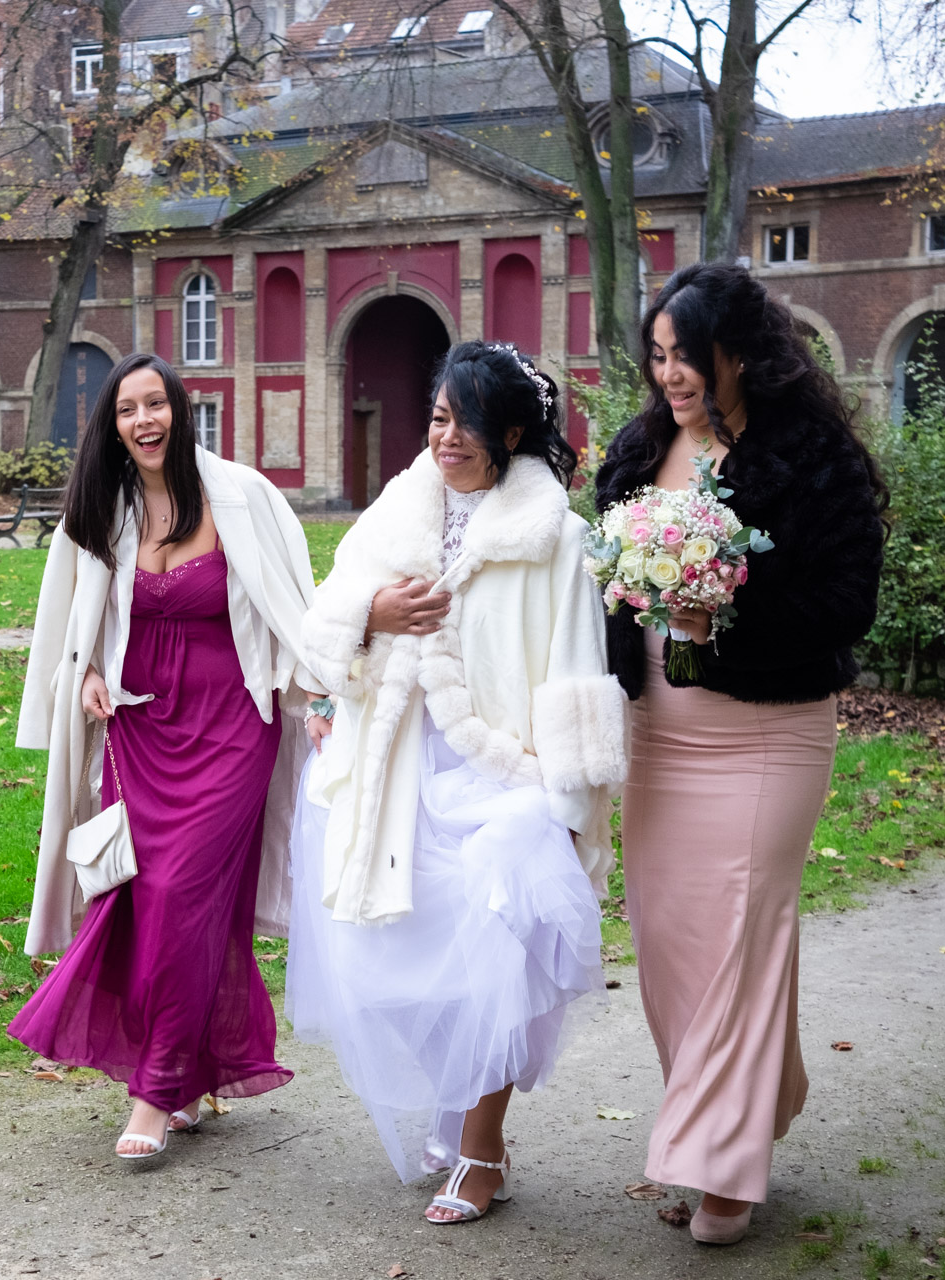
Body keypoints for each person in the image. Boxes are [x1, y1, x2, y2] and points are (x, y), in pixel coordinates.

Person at [285, 340, 628, 1225]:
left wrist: (568, 809)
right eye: (439, 417)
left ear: (510, 433)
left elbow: (577, 670)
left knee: (497, 952)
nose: (447, 437)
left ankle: (480, 1146)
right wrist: (372, 613)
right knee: (395, 964)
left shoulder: (555, 539)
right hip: (399, 766)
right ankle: (462, 1115)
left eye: (467, 422)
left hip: (505, 777)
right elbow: (321, 624)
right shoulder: (397, 512)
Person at [593, 262, 888, 1245]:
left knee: (737, 930)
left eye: (687, 355)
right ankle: (726, 1117)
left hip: (767, 732)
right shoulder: (641, 448)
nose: (669, 373)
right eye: (658, 354)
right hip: (659, 737)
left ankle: (719, 1160)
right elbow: (604, 575)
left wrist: (726, 611)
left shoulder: (811, 455)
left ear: (741, 354)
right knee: (674, 943)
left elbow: (848, 602)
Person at [10, 352, 320, 1160]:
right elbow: (73, 628)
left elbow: (297, 607)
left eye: (156, 404)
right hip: (138, 731)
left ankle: (152, 1094)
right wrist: (84, 678)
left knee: (183, 894)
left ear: (180, 411)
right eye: (127, 410)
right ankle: (182, 1072)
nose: (144, 420)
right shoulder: (99, 511)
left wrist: (321, 695)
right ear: (113, 427)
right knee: (148, 902)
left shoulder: (244, 497)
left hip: (232, 731)